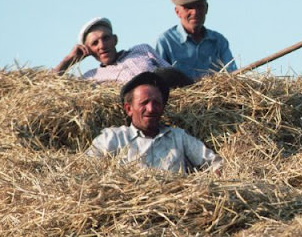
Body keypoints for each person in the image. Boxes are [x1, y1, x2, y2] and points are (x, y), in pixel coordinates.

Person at [86, 71, 223, 175]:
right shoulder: (112, 139)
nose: (151, 109)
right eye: (144, 103)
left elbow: (214, 164)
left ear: (163, 107)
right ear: (129, 109)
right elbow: (87, 170)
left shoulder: (179, 138)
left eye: (156, 103)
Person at [54, 17, 178, 84]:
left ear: (115, 40)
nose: (102, 45)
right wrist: (69, 59)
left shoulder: (142, 50)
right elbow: (48, 83)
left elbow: (172, 74)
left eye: (106, 38)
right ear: (89, 50)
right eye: (94, 43)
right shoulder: (91, 77)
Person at [155, 0, 237, 81]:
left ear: (206, 8)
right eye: (188, 7)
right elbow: (158, 79)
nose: (195, 12)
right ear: (177, 12)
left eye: (199, 6)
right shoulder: (166, 41)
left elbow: (232, 75)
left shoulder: (219, 41)